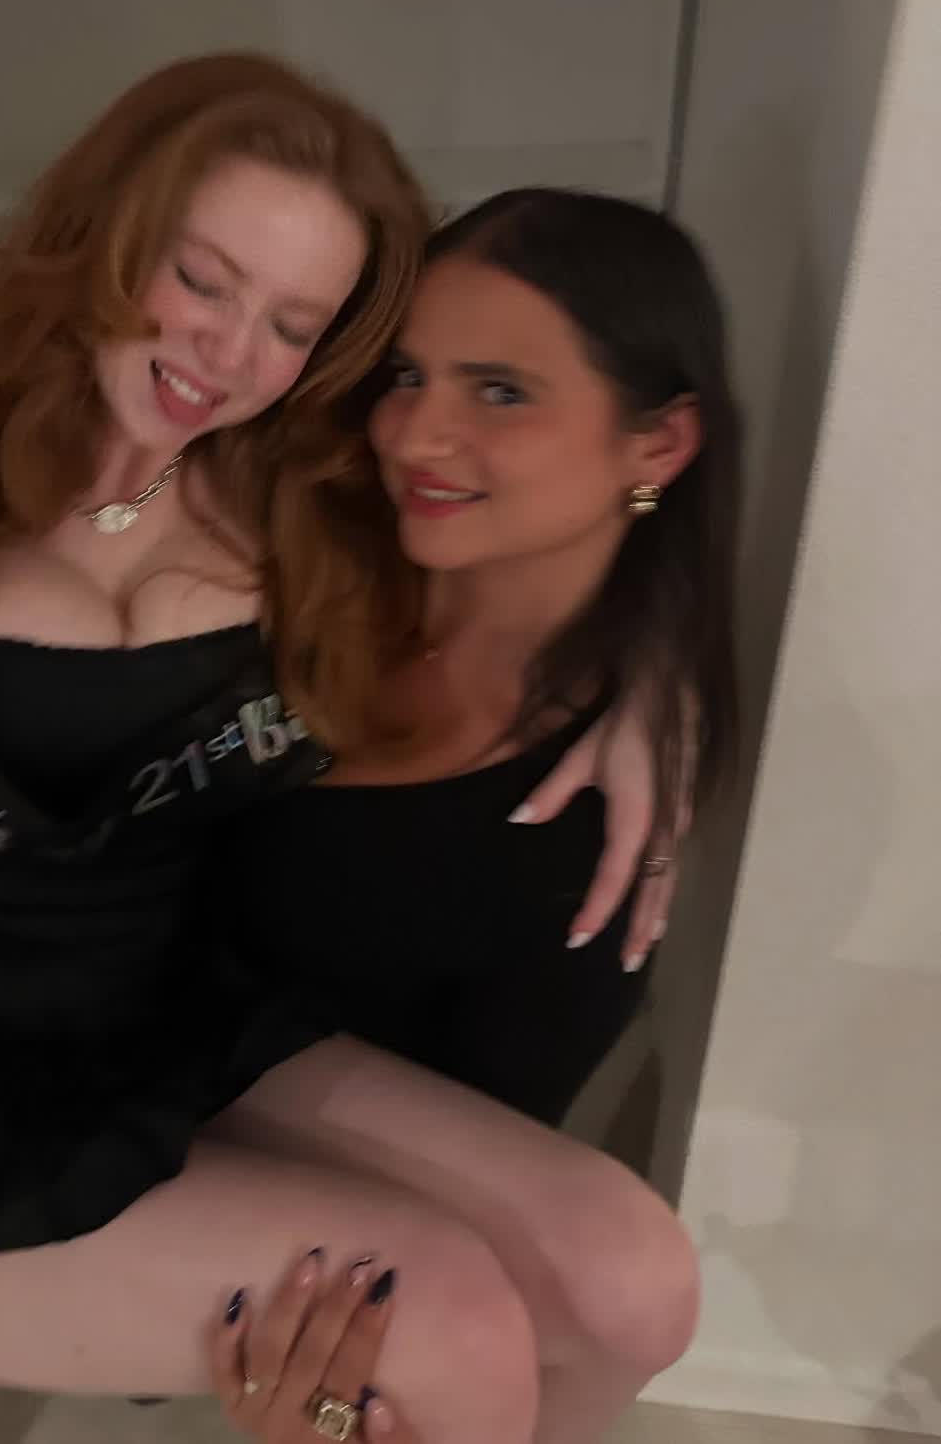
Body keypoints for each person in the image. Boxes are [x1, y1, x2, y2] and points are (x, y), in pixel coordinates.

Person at [0, 55, 699, 1444]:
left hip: (181, 1028)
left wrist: (656, 687)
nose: (229, 355)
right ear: (105, 237)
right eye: (202, 280)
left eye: (293, 324)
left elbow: (552, 538)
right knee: (451, 1322)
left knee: (633, 1283)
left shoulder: (309, 521)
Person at [200, 187, 739, 1443]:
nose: (415, 433)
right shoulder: (300, 549)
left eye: (501, 391)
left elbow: (476, 1166)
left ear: (658, 445)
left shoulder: (585, 814)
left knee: (611, 1295)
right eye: (405, 374)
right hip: (66, 1012)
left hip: (248, 1142)